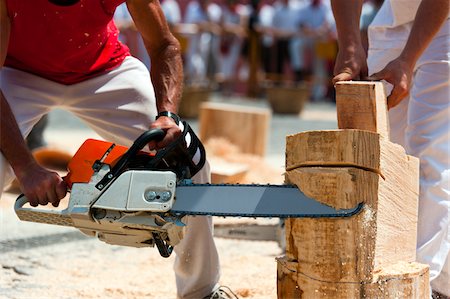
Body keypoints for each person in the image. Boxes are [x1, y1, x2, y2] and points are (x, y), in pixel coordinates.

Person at [0, 1, 236, 298]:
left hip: (103, 69)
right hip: (19, 71)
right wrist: (24, 166)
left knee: (185, 158)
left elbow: (164, 45)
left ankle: (200, 290)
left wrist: (167, 115)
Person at [331, 0, 449, 298]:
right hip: (392, 21)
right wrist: (349, 44)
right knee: (387, 155)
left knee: (428, 150)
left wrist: (407, 60)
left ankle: (425, 284)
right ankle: (434, 277)